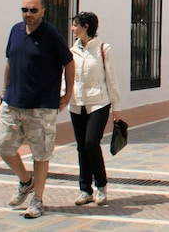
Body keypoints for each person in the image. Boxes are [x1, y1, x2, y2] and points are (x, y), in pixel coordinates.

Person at [0, 0, 74, 219]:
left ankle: (38, 199)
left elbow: (69, 62)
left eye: (33, 10)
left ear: (43, 11)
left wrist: (68, 94)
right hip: (13, 101)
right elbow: (10, 61)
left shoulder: (51, 35)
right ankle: (25, 181)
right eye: (25, 10)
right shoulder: (15, 30)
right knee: (2, 147)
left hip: (42, 104)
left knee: (41, 153)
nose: (28, 14)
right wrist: (3, 93)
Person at [68, 11, 122, 207]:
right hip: (77, 103)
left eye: (75, 25)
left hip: (99, 102)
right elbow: (67, 77)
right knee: (81, 146)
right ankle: (85, 189)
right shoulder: (72, 51)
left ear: (86, 26)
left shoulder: (103, 49)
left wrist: (116, 108)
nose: (73, 28)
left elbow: (112, 80)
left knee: (91, 142)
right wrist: (64, 97)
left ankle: (101, 185)